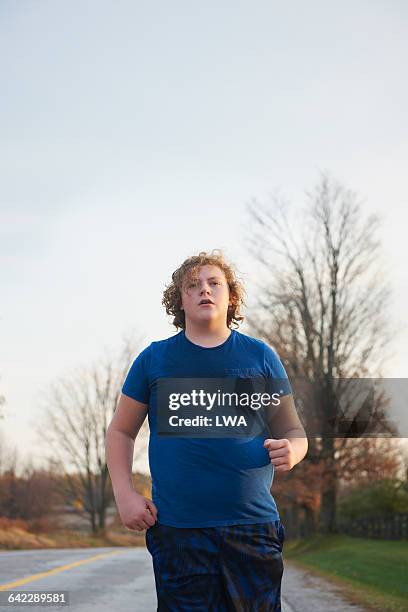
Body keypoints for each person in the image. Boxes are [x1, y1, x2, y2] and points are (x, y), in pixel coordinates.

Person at [105, 249, 308, 611]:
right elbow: (120, 431)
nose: (205, 290)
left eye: (214, 283)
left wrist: (293, 450)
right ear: (179, 300)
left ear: (230, 296)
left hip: (253, 528)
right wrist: (125, 494)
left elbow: (294, 429)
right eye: (192, 285)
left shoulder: (260, 356)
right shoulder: (154, 359)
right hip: (179, 532)